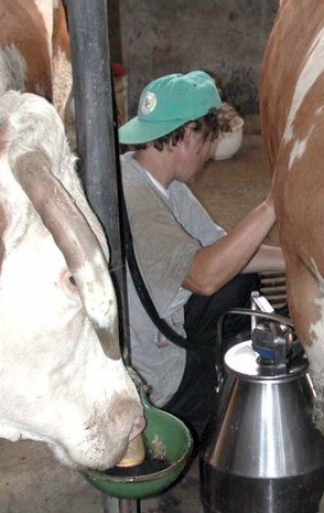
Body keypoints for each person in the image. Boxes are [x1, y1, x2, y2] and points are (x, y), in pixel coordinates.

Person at [118, 70, 285, 442]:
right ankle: (204, 412)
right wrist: (273, 203)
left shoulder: (156, 178)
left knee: (239, 275)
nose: (210, 153)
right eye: (209, 141)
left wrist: (301, 260)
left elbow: (226, 252)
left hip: (162, 328)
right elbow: (205, 277)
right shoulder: (136, 198)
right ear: (190, 133)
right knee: (247, 411)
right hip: (152, 382)